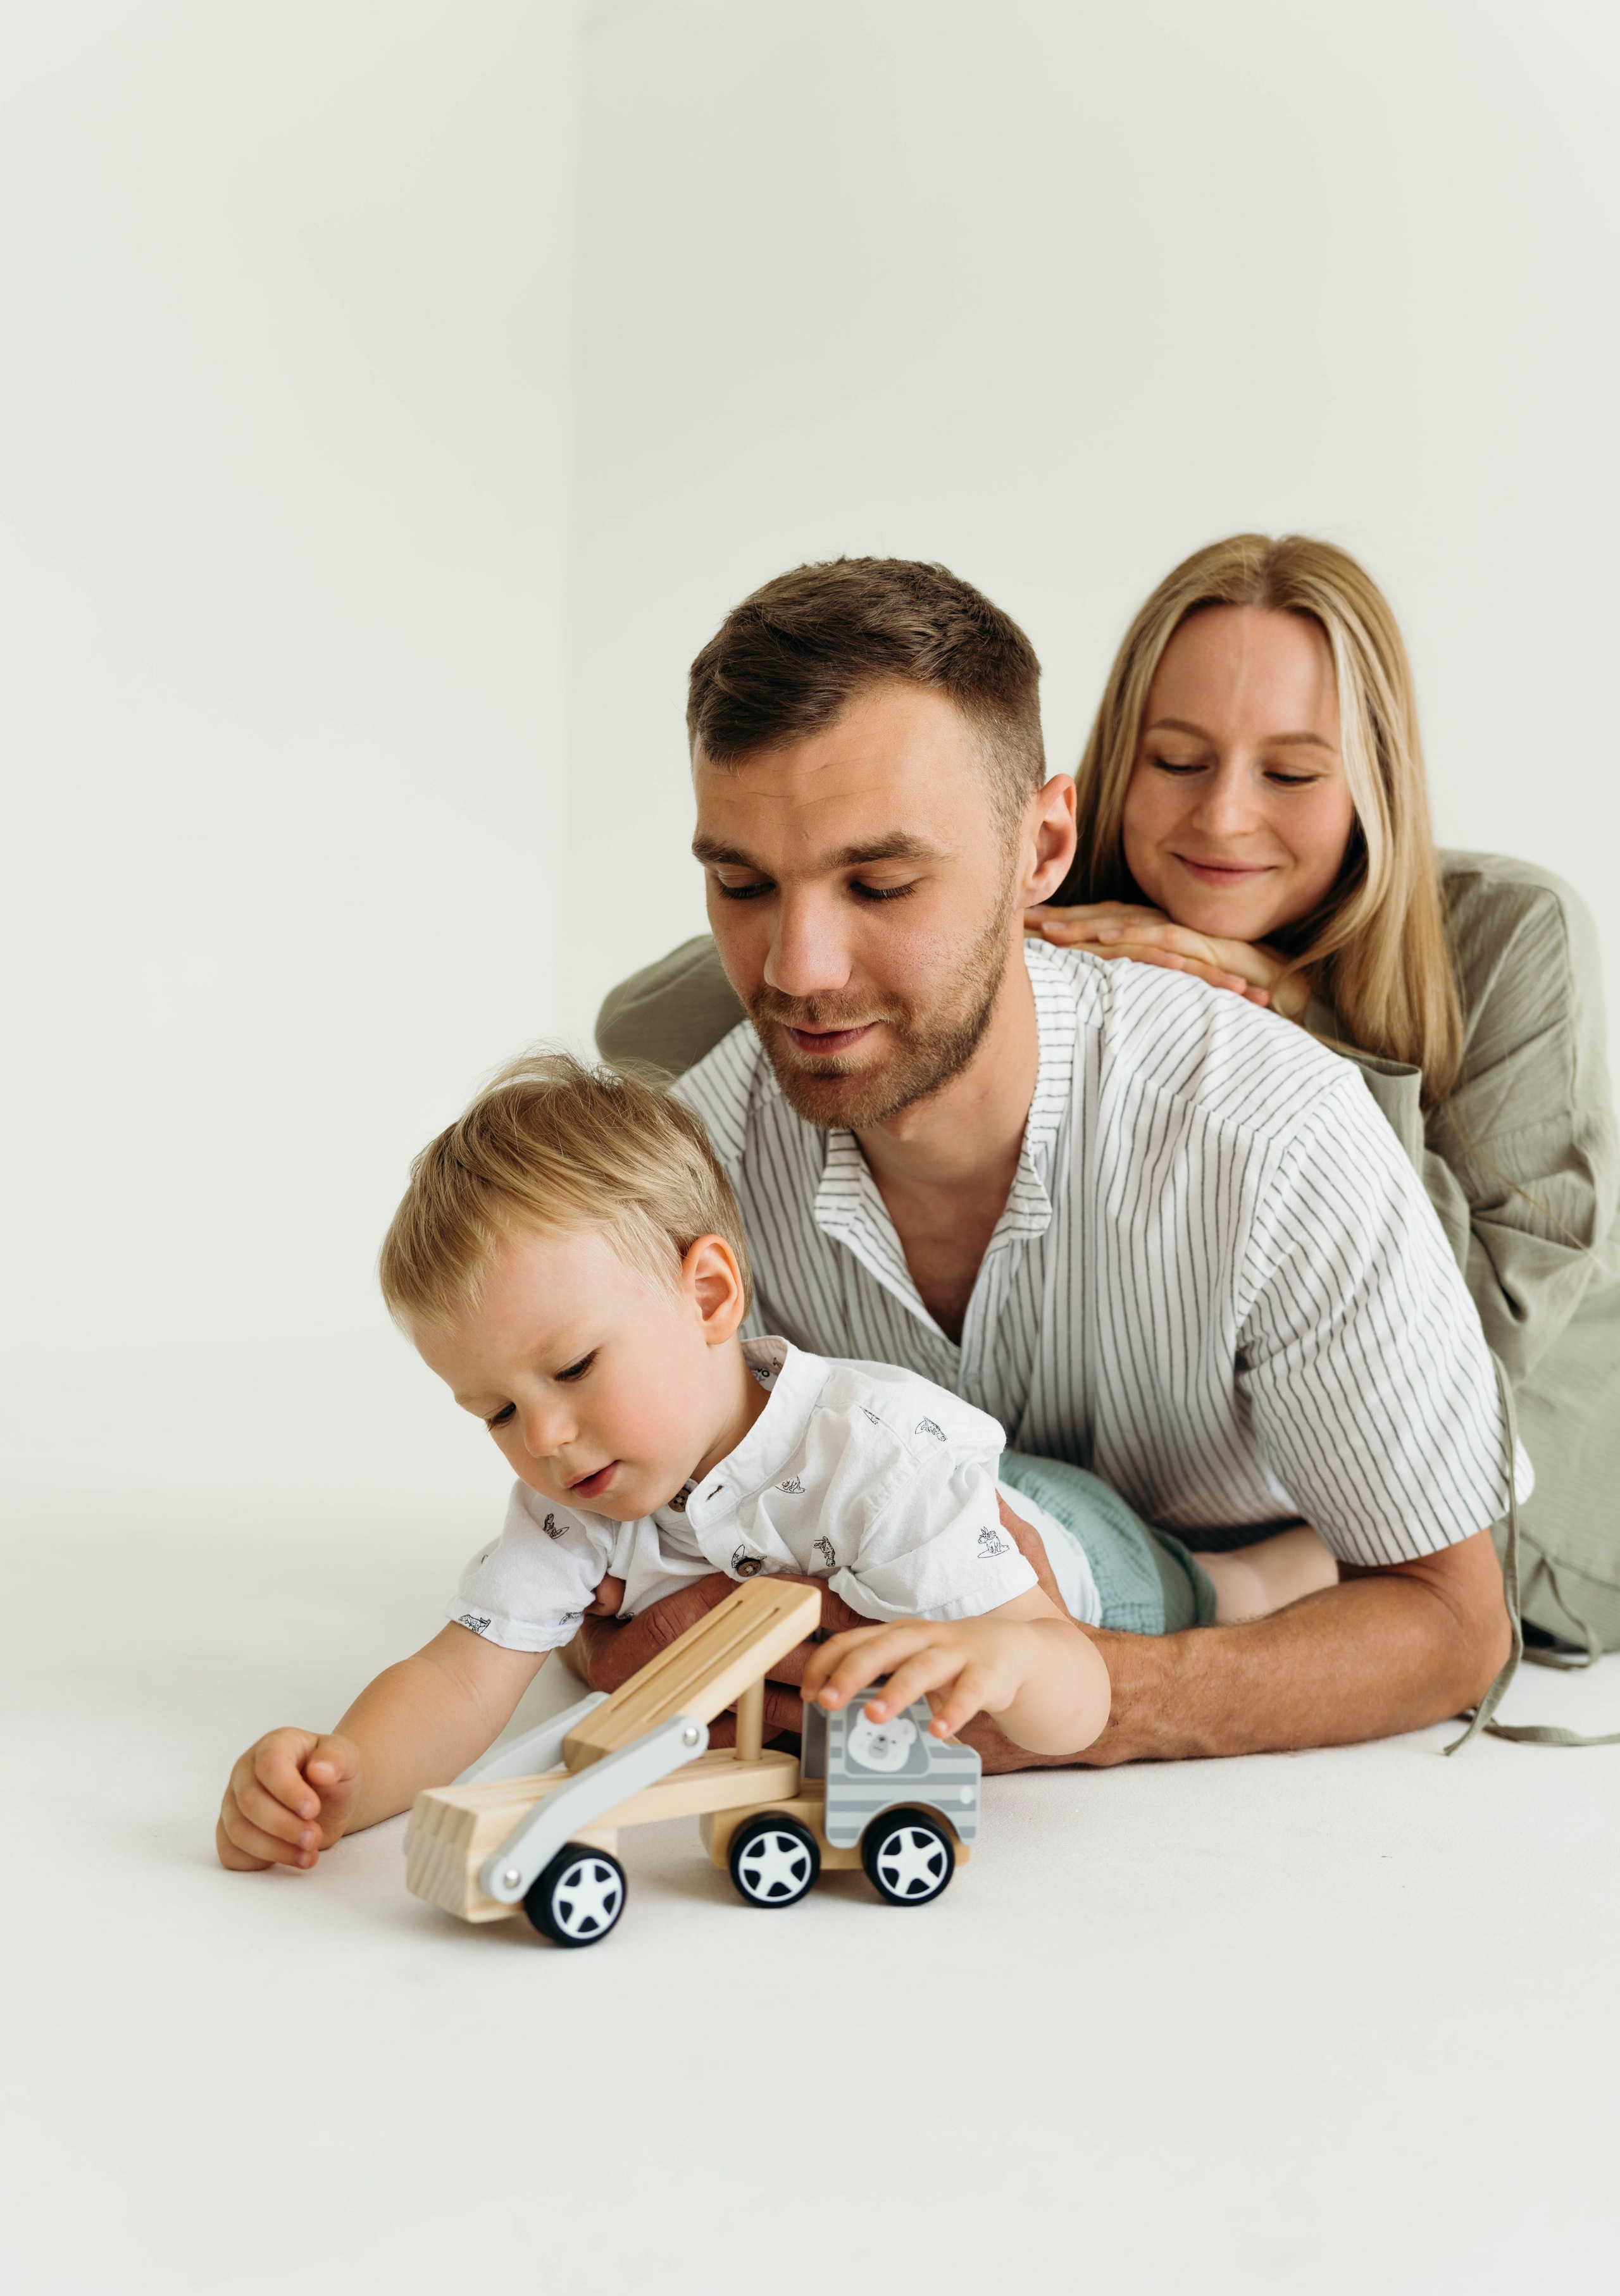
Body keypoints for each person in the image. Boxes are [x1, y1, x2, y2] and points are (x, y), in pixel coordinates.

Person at [599, 538, 1620, 1675]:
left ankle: (1253, 1579)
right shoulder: (1042, 912)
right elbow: (657, 1016)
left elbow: (1482, 1344)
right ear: (1088, 801)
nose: (1224, 820)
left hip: (1534, 1485)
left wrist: (1282, 1014)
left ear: (1376, 780)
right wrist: (961, 947)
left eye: (1290, 774)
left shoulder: (1499, 939)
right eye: (1176, 760)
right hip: (1153, 1495)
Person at [227, 1045, 1274, 1870]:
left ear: (711, 1295)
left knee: (1215, 1583)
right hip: (948, 1516)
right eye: (496, 1409)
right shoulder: (573, 1504)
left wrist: (1005, 1660)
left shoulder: (871, 1458)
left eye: (577, 1368)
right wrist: (344, 1776)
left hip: (1066, 1546)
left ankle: (1276, 1562)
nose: (543, 1438)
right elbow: (459, 1682)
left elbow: (1083, 1702)